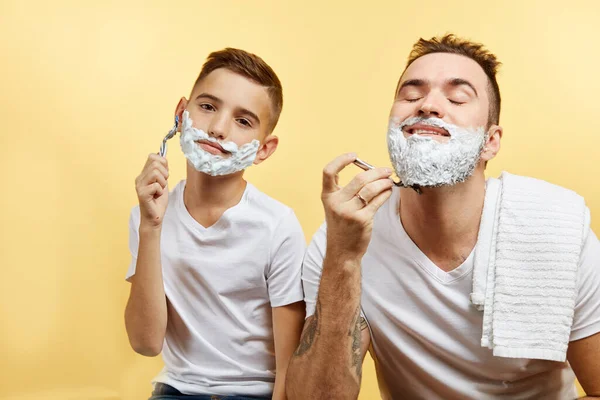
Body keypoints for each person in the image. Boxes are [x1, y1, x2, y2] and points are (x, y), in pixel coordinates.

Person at [286, 34, 600, 399]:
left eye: (457, 97)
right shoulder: (342, 237)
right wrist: (342, 258)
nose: (429, 105)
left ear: (490, 141)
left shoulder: (557, 227)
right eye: (411, 95)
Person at [125, 48, 305, 400]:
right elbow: (146, 343)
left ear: (263, 150)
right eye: (207, 107)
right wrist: (150, 227)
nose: (218, 129)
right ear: (181, 114)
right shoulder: (149, 216)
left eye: (243, 121)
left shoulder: (277, 226)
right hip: (175, 390)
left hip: (254, 394)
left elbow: (289, 364)